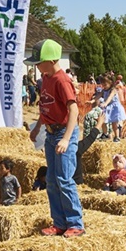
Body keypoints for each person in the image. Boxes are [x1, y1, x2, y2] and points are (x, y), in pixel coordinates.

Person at [26, 40, 84, 237]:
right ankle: (59, 223)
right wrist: (38, 127)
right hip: (51, 133)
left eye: (39, 62)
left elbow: (73, 110)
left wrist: (67, 138)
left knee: (64, 179)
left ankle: (76, 223)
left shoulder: (61, 80)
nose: (36, 66)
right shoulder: (46, 78)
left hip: (63, 133)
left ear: (51, 61)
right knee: (51, 180)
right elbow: (47, 106)